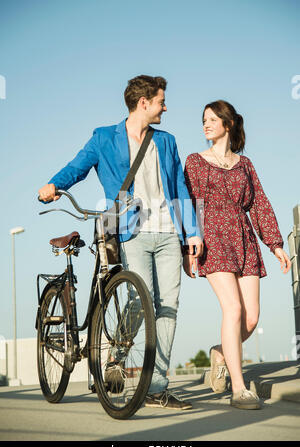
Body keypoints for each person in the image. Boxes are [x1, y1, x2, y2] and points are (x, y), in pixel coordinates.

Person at [38, 75, 203, 410]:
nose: (165, 107)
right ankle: (117, 354)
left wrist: (192, 231)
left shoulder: (167, 141)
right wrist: (53, 184)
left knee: (167, 307)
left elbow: (179, 189)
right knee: (139, 300)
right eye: (161, 101)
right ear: (144, 103)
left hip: (168, 231)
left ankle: (156, 386)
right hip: (130, 229)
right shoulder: (103, 138)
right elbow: (77, 167)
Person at [183, 100, 291, 410]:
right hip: (212, 239)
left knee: (251, 317)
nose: (206, 124)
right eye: (203, 119)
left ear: (228, 125)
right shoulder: (195, 161)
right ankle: (239, 389)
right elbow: (191, 205)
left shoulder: (245, 165)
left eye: (212, 119)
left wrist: (275, 244)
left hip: (243, 239)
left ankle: (220, 351)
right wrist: (187, 247)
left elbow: (259, 205)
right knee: (232, 309)